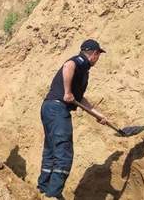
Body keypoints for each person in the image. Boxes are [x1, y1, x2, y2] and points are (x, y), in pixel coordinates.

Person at [37, 39, 109, 199]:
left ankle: (42, 190)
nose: (98, 58)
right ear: (94, 54)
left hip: (49, 107)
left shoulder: (84, 72)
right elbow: (68, 66)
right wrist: (67, 92)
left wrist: (98, 115)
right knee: (64, 153)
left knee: (51, 150)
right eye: (98, 55)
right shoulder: (81, 61)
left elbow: (80, 99)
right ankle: (53, 195)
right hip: (58, 109)